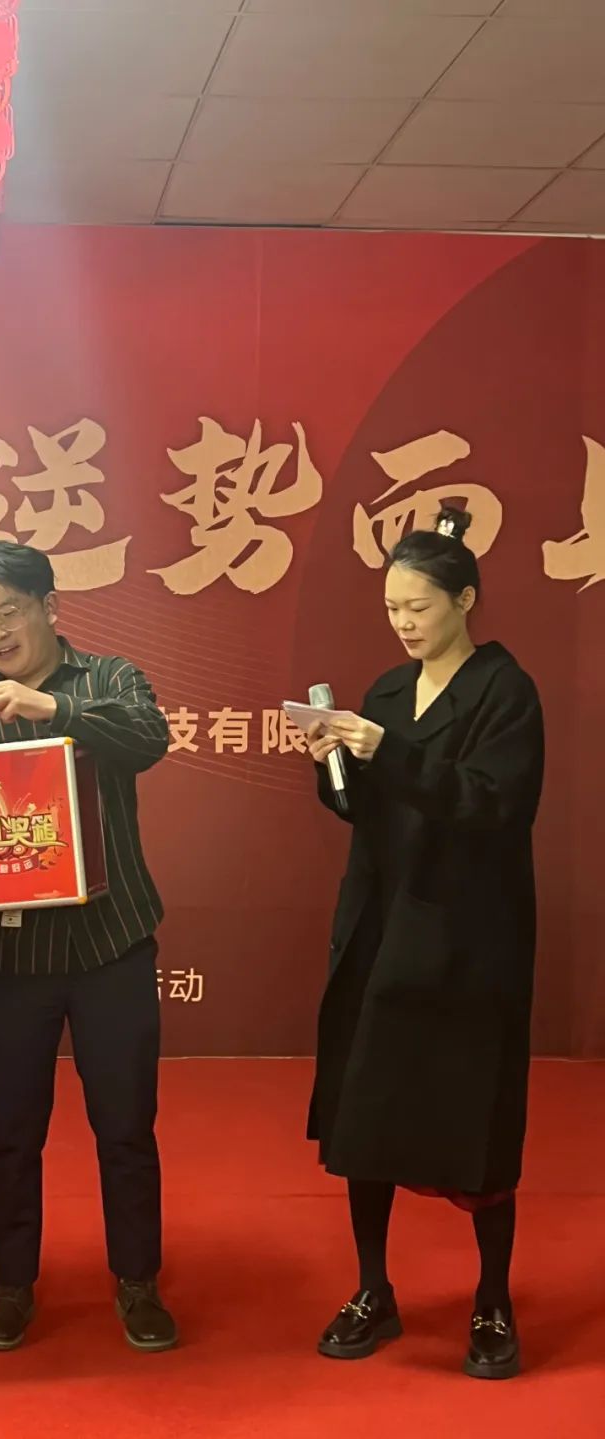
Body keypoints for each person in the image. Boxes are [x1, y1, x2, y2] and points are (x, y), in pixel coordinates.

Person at [0, 541, 177, 1353]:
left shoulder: (110, 679)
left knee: (125, 1125)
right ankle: (10, 1287)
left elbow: (148, 738)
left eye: (9, 613)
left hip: (111, 948)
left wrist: (53, 710)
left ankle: (138, 1282)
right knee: (12, 1130)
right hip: (13, 962)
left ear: (49, 607)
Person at [303, 507, 544, 1381]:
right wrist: (332, 762)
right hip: (381, 925)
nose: (403, 622)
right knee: (365, 1117)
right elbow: (362, 810)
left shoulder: (505, 691)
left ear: (465, 600)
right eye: (392, 607)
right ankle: (374, 1288)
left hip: (468, 936)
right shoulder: (383, 692)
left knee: (475, 1125)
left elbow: (493, 804)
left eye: (419, 606)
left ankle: (492, 1298)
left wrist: (389, 752)